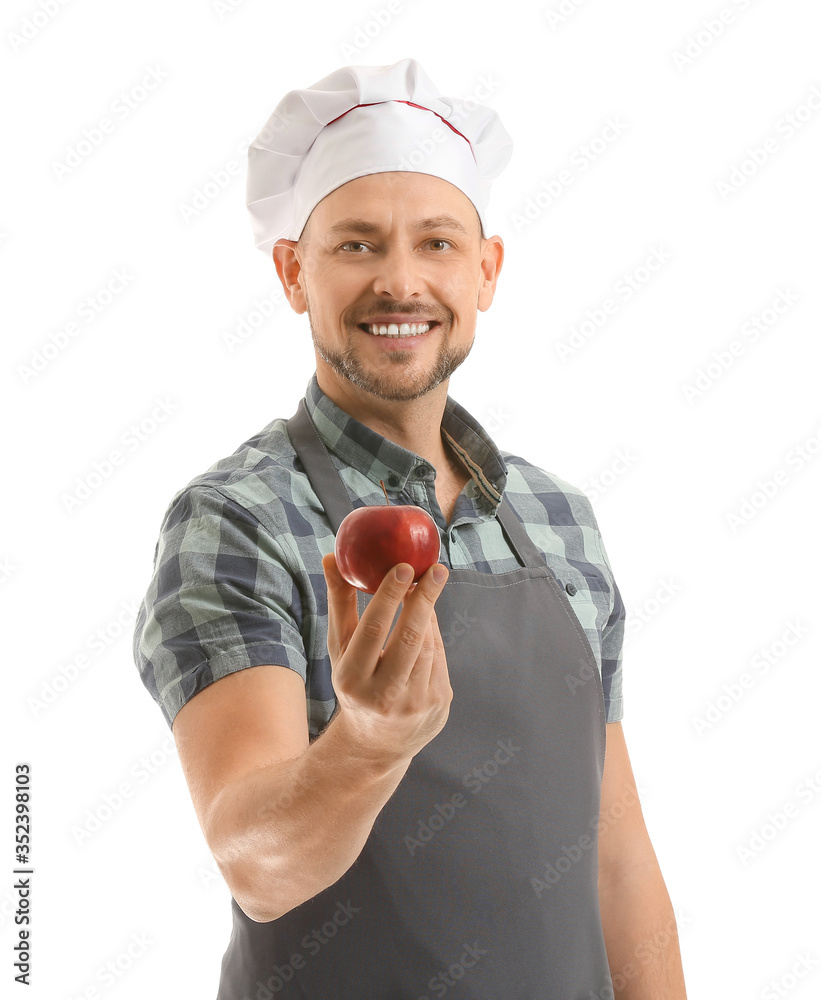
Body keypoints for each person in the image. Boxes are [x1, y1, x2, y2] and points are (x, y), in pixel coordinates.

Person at [133, 58, 688, 999]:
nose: (400, 282)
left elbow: (618, 866)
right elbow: (256, 865)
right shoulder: (240, 518)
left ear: (485, 271)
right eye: (356, 245)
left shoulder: (560, 523)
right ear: (291, 272)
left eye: (436, 243)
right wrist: (370, 744)